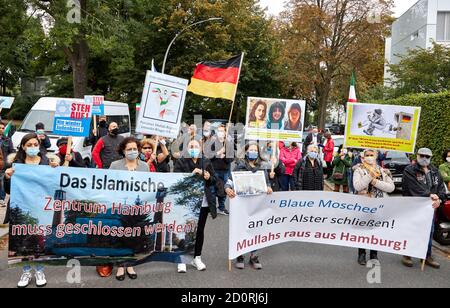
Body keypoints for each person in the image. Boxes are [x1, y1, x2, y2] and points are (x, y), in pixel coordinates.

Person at [4, 133, 59, 288]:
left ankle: (40, 270)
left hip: (41, 208)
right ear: (23, 147)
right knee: (22, 241)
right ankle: (26, 271)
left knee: (39, 241)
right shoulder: (17, 164)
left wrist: (55, 170)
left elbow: (54, 185)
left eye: (35, 144)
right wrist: (7, 178)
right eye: (29, 145)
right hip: (21, 209)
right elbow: (8, 191)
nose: (33, 148)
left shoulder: (47, 163)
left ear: (39, 146)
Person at [225, 141, 273, 270]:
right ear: (246, 151)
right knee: (241, 229)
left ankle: (254, 256)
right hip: (242, 204)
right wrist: (227, 188)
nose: (253, 152)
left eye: (255, 150)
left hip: (257, 204)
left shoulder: (262, 167)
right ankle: (239, 255)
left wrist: (268, 187)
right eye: (250, 150)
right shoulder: (239, 166)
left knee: (256, 229)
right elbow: (230, 181)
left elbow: (267, 183)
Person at [174, 139, 217, 273]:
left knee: (199, 231)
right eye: (191, 146)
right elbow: (175, 180)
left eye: (196, 146)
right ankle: (181, 258)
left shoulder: (206, 161)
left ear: (201, 148)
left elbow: (214, 180)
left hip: (202, 202)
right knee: (185, 229)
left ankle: (196, 257)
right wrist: (191, 176)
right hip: (186, 202)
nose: (194, 148)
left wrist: (208, 177)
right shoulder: (181, 161)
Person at [108, 137, 149, 281]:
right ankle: (120, 266)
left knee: (134, 236)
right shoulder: (114, 165)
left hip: (137, 209)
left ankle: (130, 265)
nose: (133, 151)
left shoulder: (145, 166)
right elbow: (108, 184)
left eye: (135, 149)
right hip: (120, 207)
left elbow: (148, 186)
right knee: (120, 235)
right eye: (129, 149)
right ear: (123, 151)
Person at [401, 148, 447, 269]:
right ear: (417, 156)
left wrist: (440, 200)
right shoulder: (409, 170)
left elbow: (441, 188)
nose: (425, 158)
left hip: (429, 208)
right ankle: (407, 254)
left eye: (428, 156)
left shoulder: (435, 171)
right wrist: (429, 195)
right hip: (413, 206)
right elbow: (413, 187)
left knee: (429, 232)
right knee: (412, 230)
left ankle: (427, 256)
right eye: (422, 155)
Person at [353, 149, 395, 265]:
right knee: (363, 230)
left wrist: (376, 182)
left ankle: (374, 254)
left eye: (372, 155)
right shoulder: (359, 170)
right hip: (364, 205)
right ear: (363, 157)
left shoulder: (382, 171)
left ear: (376, 156)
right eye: (367, 155)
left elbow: (391, 188)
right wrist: (369, 177)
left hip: (379, 205)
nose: (370, 157)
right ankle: (361, 253)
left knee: (376, 230)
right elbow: (357, 186)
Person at [207, 124, 233, 215]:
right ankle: (212, 208)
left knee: (223, 190)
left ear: (225, 132)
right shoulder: (212, 143)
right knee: (213, 190)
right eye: (219, 131)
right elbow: (209, 156)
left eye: (222, 131)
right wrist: (218, 153)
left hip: (225, 171)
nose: (220, 133)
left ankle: (221, 207)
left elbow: (231, 159)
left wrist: (225, 156)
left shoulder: (229, 144)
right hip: (214, 170)